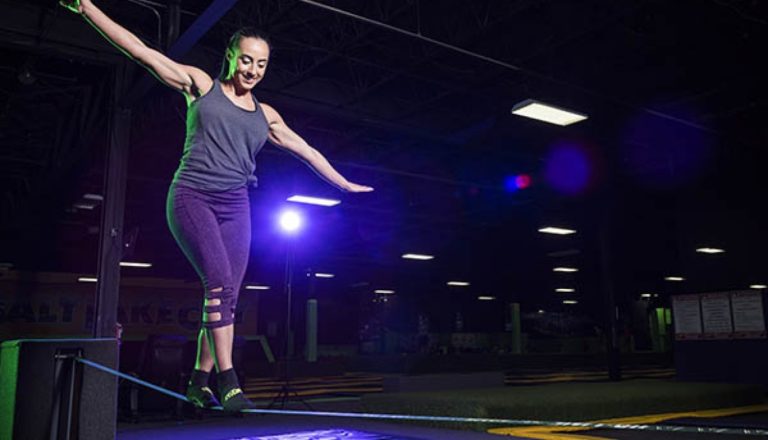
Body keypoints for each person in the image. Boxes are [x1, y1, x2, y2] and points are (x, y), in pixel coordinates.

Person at [61, 0, 373, 411]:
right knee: (219, 284)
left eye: (261, 65)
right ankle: (229, 382)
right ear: (231, 56)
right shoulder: (200, 86)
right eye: (246, 60)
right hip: (192, 197)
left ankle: (198, 380)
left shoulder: (267, 115)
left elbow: (307, 150)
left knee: (226, 298)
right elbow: (139, 50)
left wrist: (343, 184)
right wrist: (85, 6)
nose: (252, 71)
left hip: (236, 204)